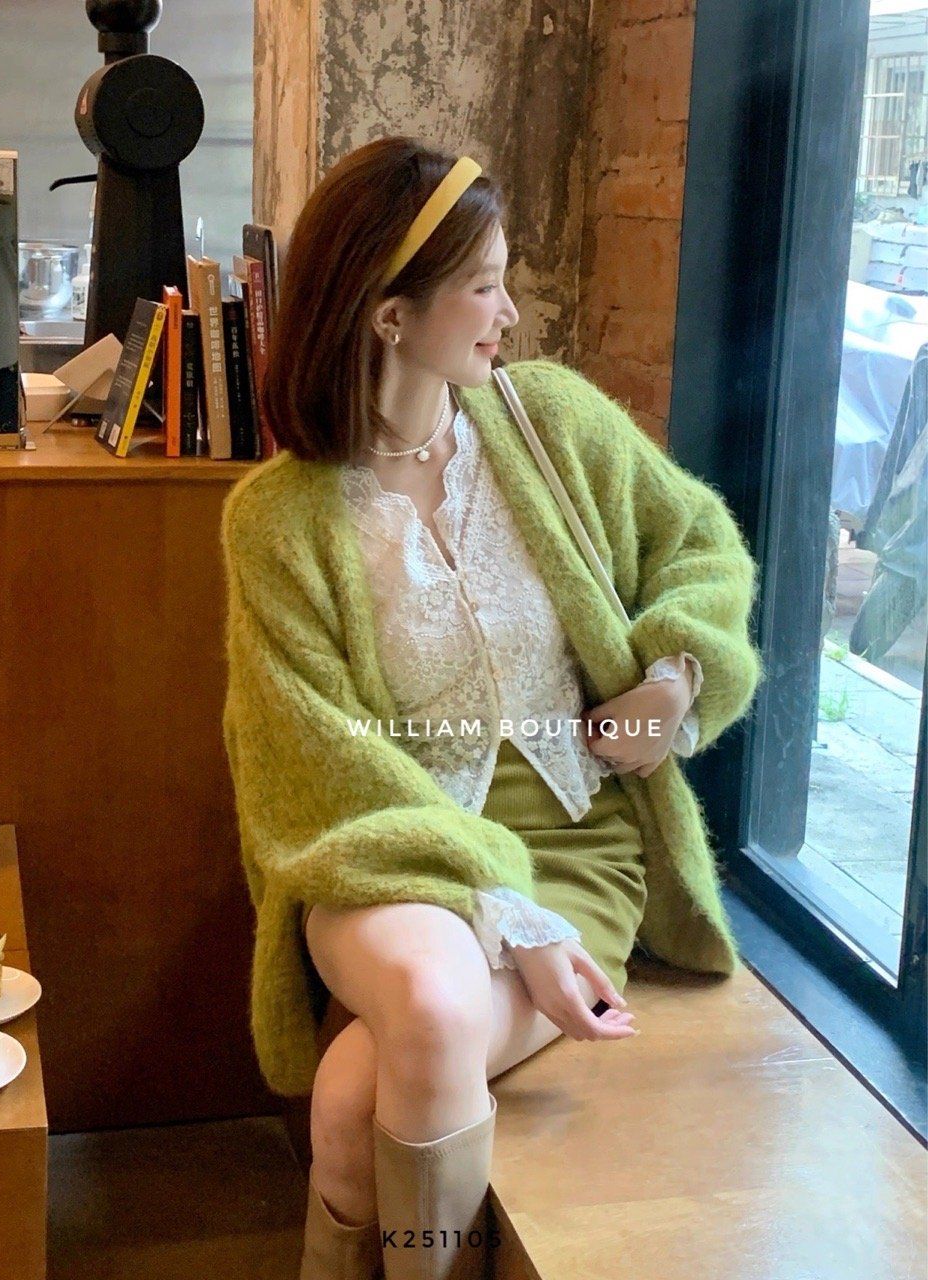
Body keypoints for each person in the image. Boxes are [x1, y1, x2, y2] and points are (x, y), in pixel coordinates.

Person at [220, 139, 764, 1280]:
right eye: (483, 286)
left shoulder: (549, 422)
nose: (510, 313)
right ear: (389, 315)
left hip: (578, 846)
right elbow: (315, 761)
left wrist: (672, 680)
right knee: (430, 1001)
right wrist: (512, 921)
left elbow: (701, 544)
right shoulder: (278, 519)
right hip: (388, 855)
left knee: (351, 1093)